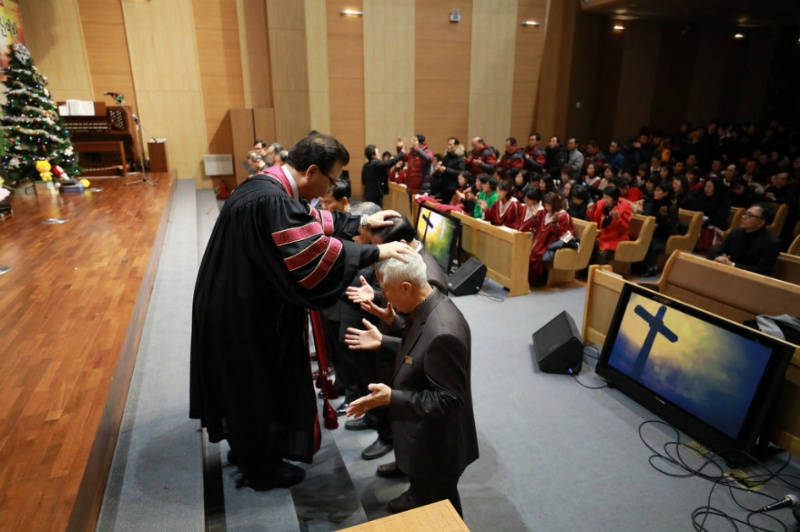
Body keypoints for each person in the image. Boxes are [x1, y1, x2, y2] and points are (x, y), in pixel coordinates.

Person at [190, 133, 414, 491]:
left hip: (231, 302)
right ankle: (260, 466)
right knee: (255, 383)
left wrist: (360, 225)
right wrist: (376, 252)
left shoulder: (265, 186)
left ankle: (247, 449)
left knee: (241, 383)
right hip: (244, 314)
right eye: (331, 179)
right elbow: (311, 253)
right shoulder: (272, 198)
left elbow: (303, 220)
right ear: (311, 171)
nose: (331, 187)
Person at [344, 254, 478, 517]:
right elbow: (420, 353)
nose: (384, 296)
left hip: (437, 447)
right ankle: (415, 494)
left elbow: (448, 400)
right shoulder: (428, 305)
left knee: (441, 511)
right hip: (423, 436)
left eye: (386, 290)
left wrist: (391, 398)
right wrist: (385, 339)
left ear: (406, 287)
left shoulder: (443, 332)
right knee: (425, 492)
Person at [709, 203, 782, 276]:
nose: (743, 217)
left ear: (761, 223)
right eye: (745, 213)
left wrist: (732, 265)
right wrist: (719, 258)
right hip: (726, 274)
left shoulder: (772, 243)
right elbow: (717, 252)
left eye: (750, 215)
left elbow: (762, 270)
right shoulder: (736, 233)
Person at [528, 192, 575, 285]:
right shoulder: (544, 212)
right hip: (539, 239)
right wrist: (535, 217)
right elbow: (537, 226)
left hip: (551, 242)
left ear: (555, 205)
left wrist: (555, 224)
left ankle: (537, 280)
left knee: (536, 253)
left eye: (549, 205)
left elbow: (562, 235)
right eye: (545, 205)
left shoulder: (563, 216)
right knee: (527, 249)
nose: (547, 208)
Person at [639, 182, 680, 275]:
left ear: (666, 193)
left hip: (665, 237)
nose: (655, 192)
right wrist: (642, 210)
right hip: (653, 232)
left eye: (658, 191)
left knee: (650, 243)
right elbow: (648, 216)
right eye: (655, 190)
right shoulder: (654, 202)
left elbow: (670, 227)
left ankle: (651, 268)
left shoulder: (671, 207)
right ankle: (638, 266)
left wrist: (664, 216)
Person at [587, 186, 633, 265]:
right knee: (587, 244)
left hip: (615, 239)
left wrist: (617, 220)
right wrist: (591, 211)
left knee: (602, 254)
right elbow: (595, 222)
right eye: (604, 197)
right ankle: (586, 270)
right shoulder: (601, 207)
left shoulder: (622, 210)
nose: (605, 200)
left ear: (614, 199)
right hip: (602, 237)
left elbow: (625, 230)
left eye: (608, 198)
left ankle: (600, 272)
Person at [434, 137, 466, 204]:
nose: (448, 146)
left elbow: (460, 172)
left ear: (456, 146)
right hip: (444, 186)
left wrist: (446, 169)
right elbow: (443, 169)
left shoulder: (460, 159)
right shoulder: (447, 157)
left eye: (450, 145)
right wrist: (439, 169)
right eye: (448, 144)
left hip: (453, 187)